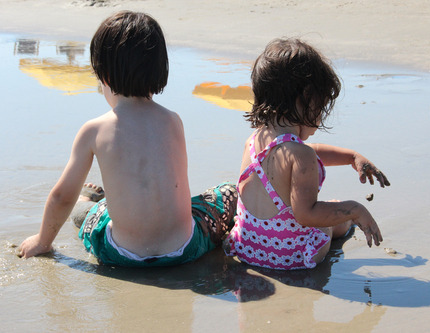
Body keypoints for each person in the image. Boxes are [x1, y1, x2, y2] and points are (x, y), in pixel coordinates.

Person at [18, 11, 237, 267]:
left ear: (105, 77)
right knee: (228, 192)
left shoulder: (94, 130)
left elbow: (61, 197)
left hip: (121, 254)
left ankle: (87, 201)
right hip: (184, 249)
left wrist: (42, 242)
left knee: (92, 213)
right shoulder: (173, 121)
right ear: (159, 69)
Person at [224, 38, 390, 270]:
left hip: (248, 249)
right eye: (322, 106)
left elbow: (305, 152)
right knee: (328, 221)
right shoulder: (300, 156)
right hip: (289, 256)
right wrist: (354, 209)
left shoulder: (254, 141)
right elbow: (306, 214)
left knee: (323, 211)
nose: (321, 116)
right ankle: (348, 221)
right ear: (308, 99)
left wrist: (351, 157)